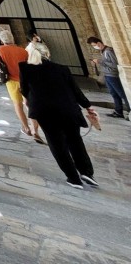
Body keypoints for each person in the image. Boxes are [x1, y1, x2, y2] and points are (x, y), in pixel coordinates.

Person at [20, 46, 100, 189]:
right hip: (68, 109)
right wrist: (87, 106)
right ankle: (86, 172)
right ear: (48, 54)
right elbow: (75, 90)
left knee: (57, 144)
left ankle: (73, 177)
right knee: (75, 140)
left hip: (45, 112)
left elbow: (25, 91)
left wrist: (29, 103)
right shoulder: (62, 69)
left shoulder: (26, 70)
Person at [0, 28, 40, 141]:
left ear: (2, 39)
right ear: (12, 38)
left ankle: (26, 128)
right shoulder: (23, 51)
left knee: (18, 105)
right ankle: (35, 130)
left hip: (11, 80)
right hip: (24, 80)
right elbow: (28, 66)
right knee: (28, 104)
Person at [87, 36, 129, 119]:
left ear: (99, 43)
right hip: (107, 75)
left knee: (122, 94)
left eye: (94, 45)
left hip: (112, 75)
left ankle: (129, 110)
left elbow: (114, 64)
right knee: (114, 94)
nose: (94, 47)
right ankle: (118, 111)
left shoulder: (108, 51)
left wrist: (99, 61)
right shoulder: (103, 52)